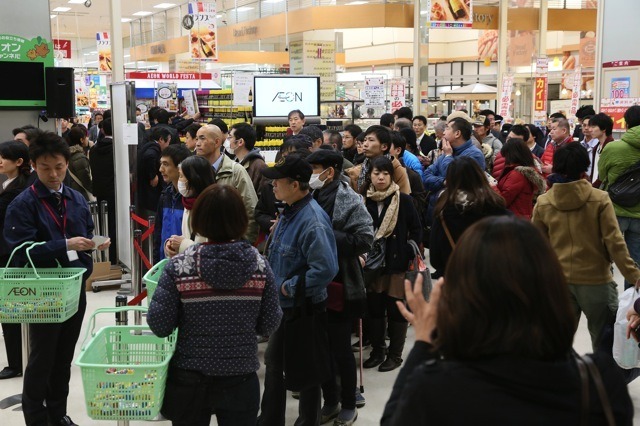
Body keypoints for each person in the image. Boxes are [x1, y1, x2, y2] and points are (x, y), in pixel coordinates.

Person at [382, 217, 633, 425]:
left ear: (462, 296)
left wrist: (424, 343)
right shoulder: (600, 384)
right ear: (552, 285)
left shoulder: (434, 389)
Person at [147, 184, 282, 426]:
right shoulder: (260, 266)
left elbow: (159, 325)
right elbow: (270, 323)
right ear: (242, 220)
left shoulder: (179, 267)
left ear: (198, 220)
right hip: (240, 377)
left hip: (190, 378)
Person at [4, 131, 110, 426]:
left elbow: (84, 234)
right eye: (46, 168)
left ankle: (58, 412)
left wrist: (92, 245)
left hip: (74, 287)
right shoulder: (23, 204)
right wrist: (65, 245)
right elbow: (20, 252)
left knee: (64, 357)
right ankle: (36, 418)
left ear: (67, 164)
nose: (53, 174)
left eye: (59, 167)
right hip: (43, 292)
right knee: (41, 358)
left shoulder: (75, 198)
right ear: (34, 166)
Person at [533, 142, 640, 350]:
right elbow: (615, 243)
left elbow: (535, 246)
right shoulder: (599, 199)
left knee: (557, 343)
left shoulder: (544, 202)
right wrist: (635, 276)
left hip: (559, 283)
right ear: (585, 167)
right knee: (604, 343)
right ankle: (601, 381)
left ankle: (559, 381)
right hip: (596, 282)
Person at [257, 155, 339, 426]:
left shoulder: (312, 220)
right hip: (284, 307)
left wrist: (286, 287)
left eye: (277, 182)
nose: (272, 186)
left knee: (306, 373)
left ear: (294, 185)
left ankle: (307, 421)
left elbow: (326, 269)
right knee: (276, 365)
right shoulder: (289, 212)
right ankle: (270, 419)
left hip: (303, 309)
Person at [306, 149, 374, 426]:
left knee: (340, 349)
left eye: (316, 169)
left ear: (330, 171)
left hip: (340, 282)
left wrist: (325, 235)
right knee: (320, 349)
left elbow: (365, 238)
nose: (311, 175)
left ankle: (348, 401)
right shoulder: (310, 196)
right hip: (314, 283)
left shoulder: (348, 198)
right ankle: (330, 400)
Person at [362, 156, 422, 372]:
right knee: (374, 309)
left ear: (391, 176)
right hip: (373, 264)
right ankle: (378, 351)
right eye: (376, 173)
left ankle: (395, 355)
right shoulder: (364, 200)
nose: (380, 177)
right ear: (370, 176)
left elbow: (417, 228)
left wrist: (408, 248)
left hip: (396, 263)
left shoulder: (403, 200)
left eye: (385, 173)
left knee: (396, 308)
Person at [429, 157, 508, 279]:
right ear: (480, 176)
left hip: (458, 282)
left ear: (450, 180)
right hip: (495, 280)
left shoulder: (444, 213)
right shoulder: (498, 208)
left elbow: (435, 259)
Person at [598, 105, 640, 289]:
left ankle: (608, 297)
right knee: (636, 262)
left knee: (604, 255)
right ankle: (633, 304)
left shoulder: (613, 147)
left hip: (614, 209)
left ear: (627, 122)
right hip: (639, 214)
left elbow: (602, 176)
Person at [195, 124, 259, 243]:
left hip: (231, 247)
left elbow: (250, 210)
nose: (197, 143)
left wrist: (244, 244)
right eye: (197, 138)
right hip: (200, 247)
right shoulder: (194, 171)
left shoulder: (236, 171)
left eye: (202, 138)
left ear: (217, 142)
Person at [0, 140, 30, 380]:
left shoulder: (16, 190)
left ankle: (16, 362)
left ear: (19, 162)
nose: (0, 161)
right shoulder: (11, 185)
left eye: (4, 157)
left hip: (9, 255)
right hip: (10, 253)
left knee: (10, 309)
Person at [422, 117, 485, 228]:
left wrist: (448, 156)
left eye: (447, 128)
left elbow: (453, 178)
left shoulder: (474, 155)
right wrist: (443, 182)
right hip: (436, 213)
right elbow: (426, 176)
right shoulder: (448, 150)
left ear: (457, 133)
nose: (444, 132)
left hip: (458, 216)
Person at [164, 155, 216, 257]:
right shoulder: (188, 203)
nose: (179, 180)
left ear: (194, 179)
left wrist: (183, 244)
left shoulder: (212, 207)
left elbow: (214, 251)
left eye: (182, 176)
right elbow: (188, 236)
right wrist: (171, 245)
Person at [152, 144, 192, 261]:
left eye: (166, 164)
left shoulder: (191, 199)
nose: (160, 169)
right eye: (161, 164)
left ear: (180, 168)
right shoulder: (165, 195)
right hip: (165, 260)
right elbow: (158, 232)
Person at [346, 125, 410, 195]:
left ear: (384, 146)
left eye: (371, 140)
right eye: (365, 140)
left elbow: (404, 200)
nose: (365, 144)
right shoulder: (358, 170)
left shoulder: (397, 170)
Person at [89, 118, 117, 264]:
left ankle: (103, 258)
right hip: (116, 193)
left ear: (103, 130)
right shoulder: (118, 149)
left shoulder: (93, 150)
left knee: (102, 224)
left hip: (100, 192)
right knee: (115, 225)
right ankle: (114, 256)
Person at [495, 138, 545, 219]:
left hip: (514, 219)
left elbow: (504, 200)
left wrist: (492, 186)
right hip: (519, 217)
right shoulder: (524, 170)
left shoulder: (517, 174)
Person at [138, 126, 171, 218]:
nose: (168, 144)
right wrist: (153, 176)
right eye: (168, 141)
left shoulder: (148, 145)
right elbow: (149, 157)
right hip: (150, 194)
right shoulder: (153, 148)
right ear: (161, 139)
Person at [229, 123, 267, 194]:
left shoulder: (259, 166)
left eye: (230, 137)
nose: (228, 141)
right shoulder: (233, 163)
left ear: (240, 142)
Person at [587, 112, 614, 187]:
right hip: (595, 188)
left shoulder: (611, 147)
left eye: (593, 127)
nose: (590, 130)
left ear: (604, 128)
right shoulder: (596, 147)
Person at [66, 127, 93, 201]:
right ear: (81, 139)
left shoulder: (69, 155)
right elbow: (86, 179)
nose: (87, 139)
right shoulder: (80, 158)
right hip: (81, 194)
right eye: (85, 137)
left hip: (73, 192)